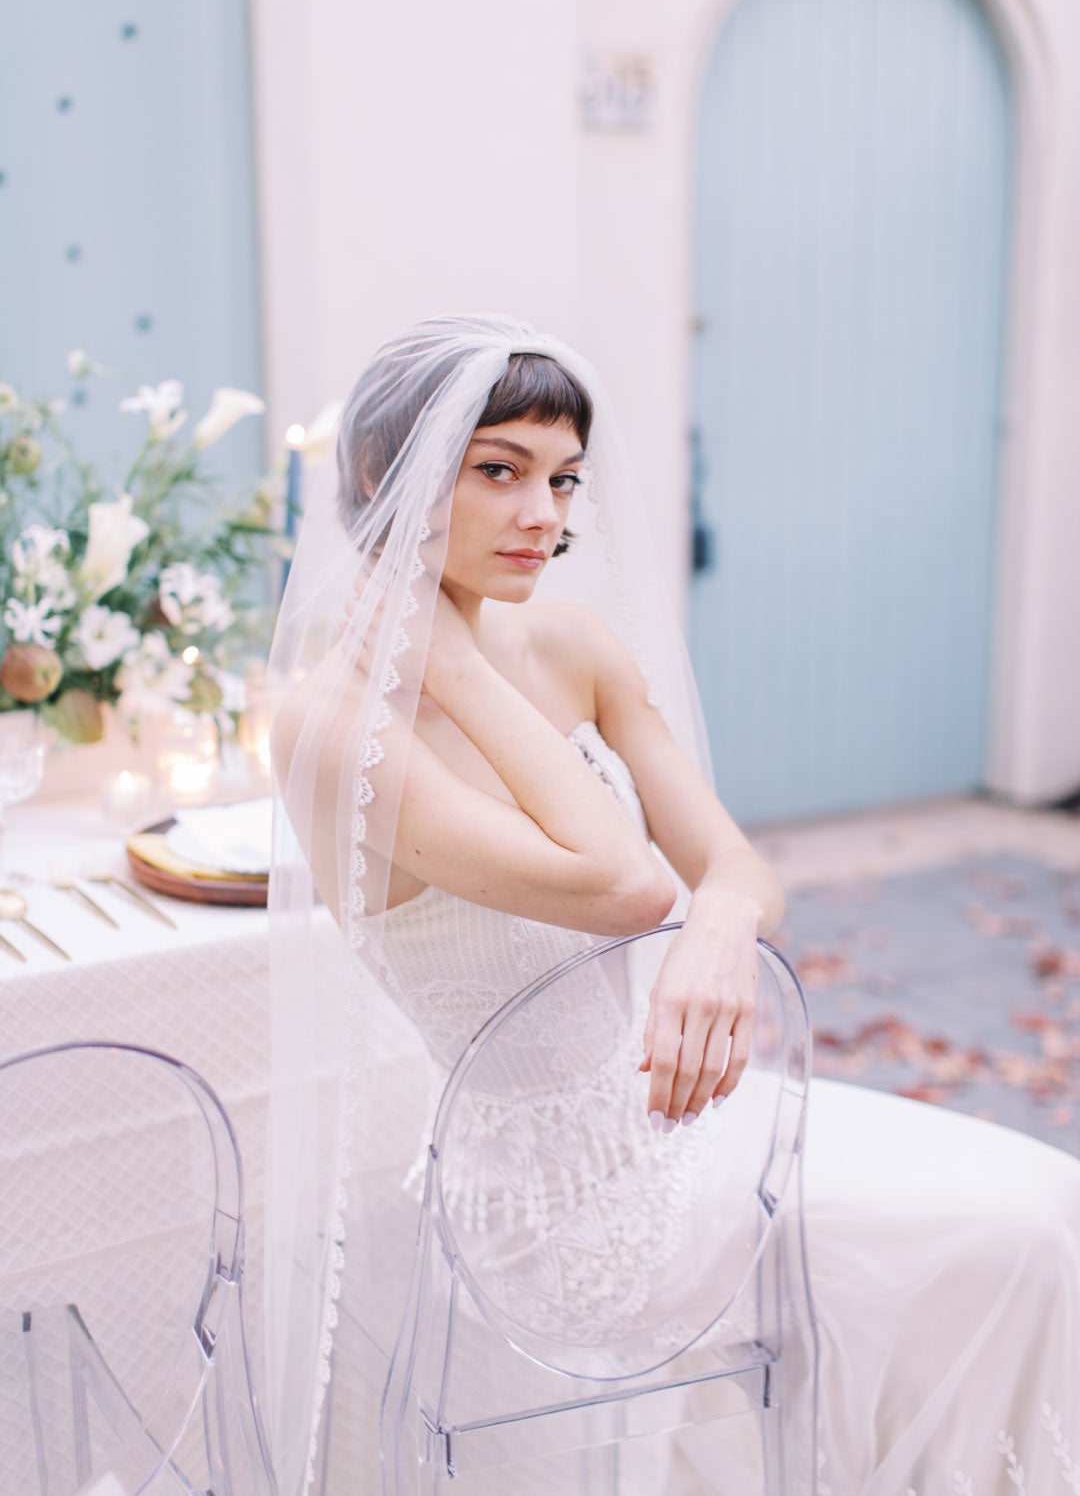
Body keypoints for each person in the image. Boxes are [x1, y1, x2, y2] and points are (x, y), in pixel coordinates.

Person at [266, 315, 1080, 1496]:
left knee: (1046, 1206)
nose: (545, 515)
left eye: (563, 479)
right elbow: (625, 882)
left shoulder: (572, 646)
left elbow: (732, 869)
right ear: (385, 484)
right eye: (500, 471)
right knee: (1015, 1231)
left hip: (678, 1122)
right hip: (552, 1215)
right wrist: (443, 665)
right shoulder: (328, 724)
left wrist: (716, 936)